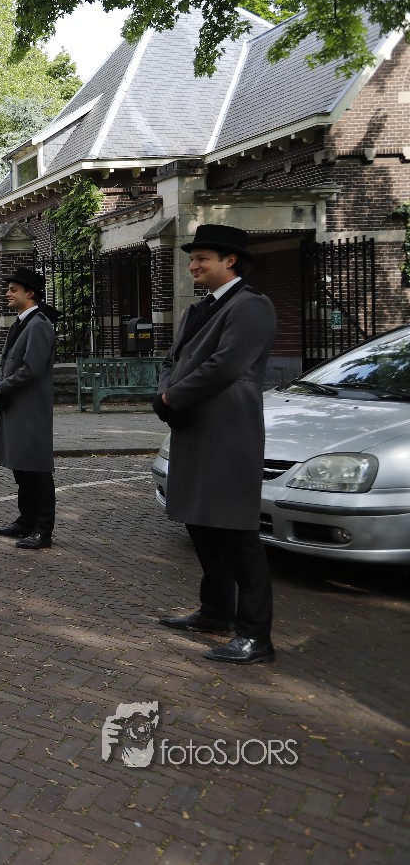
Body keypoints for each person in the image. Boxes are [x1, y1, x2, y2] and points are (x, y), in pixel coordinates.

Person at [154, 223, 277, 664]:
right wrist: (165, 392)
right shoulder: (198, 309)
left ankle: (256, 637)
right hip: (193, 427)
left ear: (231, 261)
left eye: (202, 258)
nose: (193, 266)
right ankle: (216, 611)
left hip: (227, 431)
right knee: (202, 524)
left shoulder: (252, 305)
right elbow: (173, 359)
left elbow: (226, 366)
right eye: (192, 259)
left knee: (237, 533)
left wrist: (172, 397)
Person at [0, 267, 57, 551]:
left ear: (30, 293)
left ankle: (43, 530)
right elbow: (7, 362)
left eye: (13, 290)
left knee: (37, 470)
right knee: (22, 469)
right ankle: (26, 521)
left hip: (30, 408)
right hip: (17, 405)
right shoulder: (22, 323)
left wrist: (2, 388)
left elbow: (32, 369)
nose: (7, 293)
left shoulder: (39, 325)